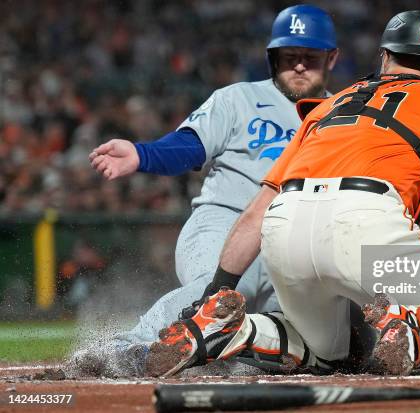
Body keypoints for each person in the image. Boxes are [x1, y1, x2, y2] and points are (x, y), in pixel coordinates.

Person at [145, 10, 420, 378]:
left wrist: (217, 292)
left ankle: (230, 331)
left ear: (385, 56)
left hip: (285, 221)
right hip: (366, 220)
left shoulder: (325, 108)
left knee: (325, 353)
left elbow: (256, 212)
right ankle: (413, 330)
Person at [79, 4, 339, 376]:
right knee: (225, 292)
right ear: (273, 58)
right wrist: (142, 153)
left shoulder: (343, 115)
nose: (298, 65)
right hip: (225, 223)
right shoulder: (238, 99)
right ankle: (127, 348)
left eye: (309, 58)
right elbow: (189, 147)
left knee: (308, 334)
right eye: (289, 56)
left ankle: (227, 359)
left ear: (331, 58)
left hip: (294, 244)